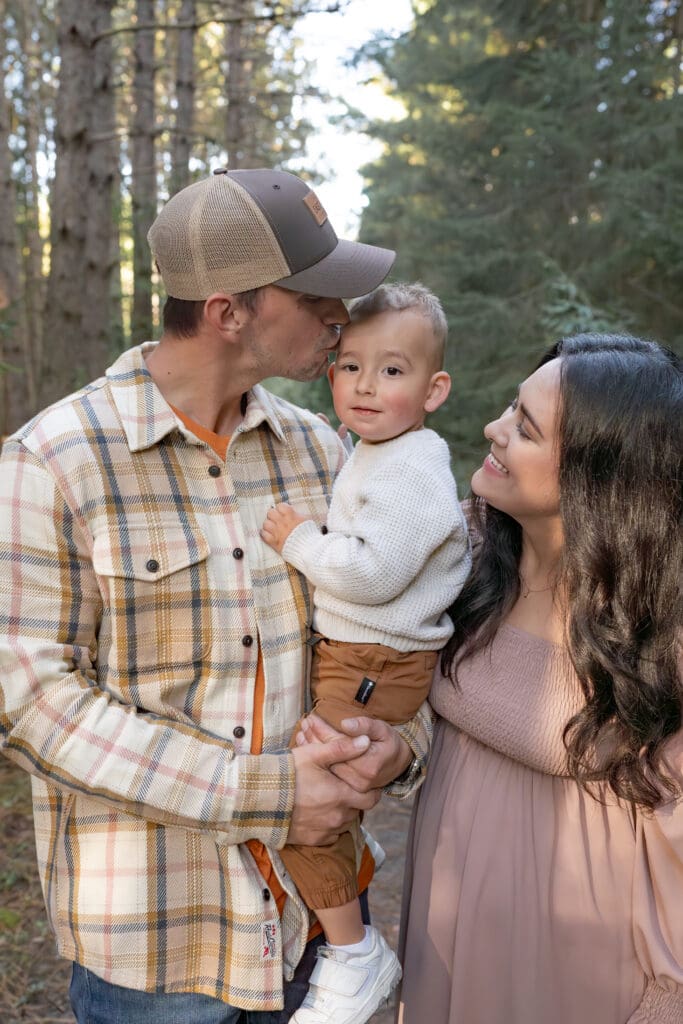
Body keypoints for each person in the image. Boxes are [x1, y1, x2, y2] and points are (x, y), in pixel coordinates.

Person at [0, 167, 435, 1024]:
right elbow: (33, 702)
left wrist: (398, 740)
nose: (339, 319)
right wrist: (264, 792)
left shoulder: (321, 450)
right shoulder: (51, 462)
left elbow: (387, 619)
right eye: (316, 297)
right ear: (228, 311)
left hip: (315, 934)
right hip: (158, 948)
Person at [396, 332, 683, 1022]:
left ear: (599, 477)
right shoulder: (457, 554)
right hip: (443, 923)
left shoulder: (660, 628)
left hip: (578, 960)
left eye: (523, 427)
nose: (493, 429)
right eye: (509, 407)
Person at [260, 283, 471, 1024]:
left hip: (373, 662)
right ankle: (347, 927)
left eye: (391, 370)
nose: (365, 386)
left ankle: (354, 955)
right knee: (327, 795)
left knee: (306, 808)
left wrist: (296, 538)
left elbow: (373, 572)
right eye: (350, 366)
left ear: (433, 388)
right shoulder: (379, 451)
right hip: (359, 658)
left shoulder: (414, 466)